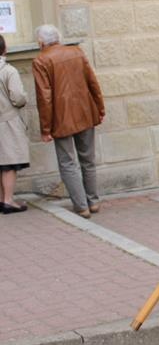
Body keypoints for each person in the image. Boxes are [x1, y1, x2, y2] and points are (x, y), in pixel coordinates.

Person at [32, 24, 104, 219]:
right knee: (88, 159)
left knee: (68, 163)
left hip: (61, 118)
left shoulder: (41, 60)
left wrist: (46, 128)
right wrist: (100, 108)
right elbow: (92, 82)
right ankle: (93, 201)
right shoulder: (77, 52)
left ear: (41, 42)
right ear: (58, 37)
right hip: (85, 111)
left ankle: (81, 206)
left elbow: (44, 98)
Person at [0, 35, 30, 213]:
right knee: (9, 162)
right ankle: (8, 200)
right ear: (4, 49)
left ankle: (1, 199)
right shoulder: (8, 71)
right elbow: (18, 97)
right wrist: (24, 99)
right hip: (7, 121)